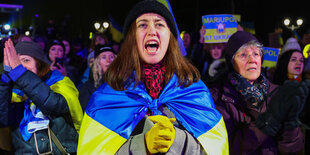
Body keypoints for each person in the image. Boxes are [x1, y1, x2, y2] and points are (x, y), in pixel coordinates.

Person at [77, 0, 228, 154]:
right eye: (143, 25)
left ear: (170, 37)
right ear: (131, 37)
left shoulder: (193, 89)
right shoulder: (109, 94)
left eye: (159, 24)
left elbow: (214, 149)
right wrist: (142, 145)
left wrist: (176, 139)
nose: (151, 31)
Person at [208, 31, 308, 154]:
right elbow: (226, 148)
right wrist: (267, 123)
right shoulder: (218, 97)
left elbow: (293, 149)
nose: (252, 60)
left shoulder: (276, 92)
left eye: (256, 54)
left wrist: (290, 123)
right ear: (232, 62)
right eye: (243, 55)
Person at [0, 40, 83, 154]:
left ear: (39, 63)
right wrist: (6, 77)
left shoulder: (59, 82)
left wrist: (20, 73)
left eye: (26, 60)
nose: (20, 66)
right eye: (16, 62)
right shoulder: (13, 90)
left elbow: (53, 104)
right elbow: (2, 116)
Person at [79, 45, 116, 111]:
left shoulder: (123, 83)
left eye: (111, 57)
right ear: (97, 63)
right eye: (104, 57)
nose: (108, 60)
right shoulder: (88, 87)